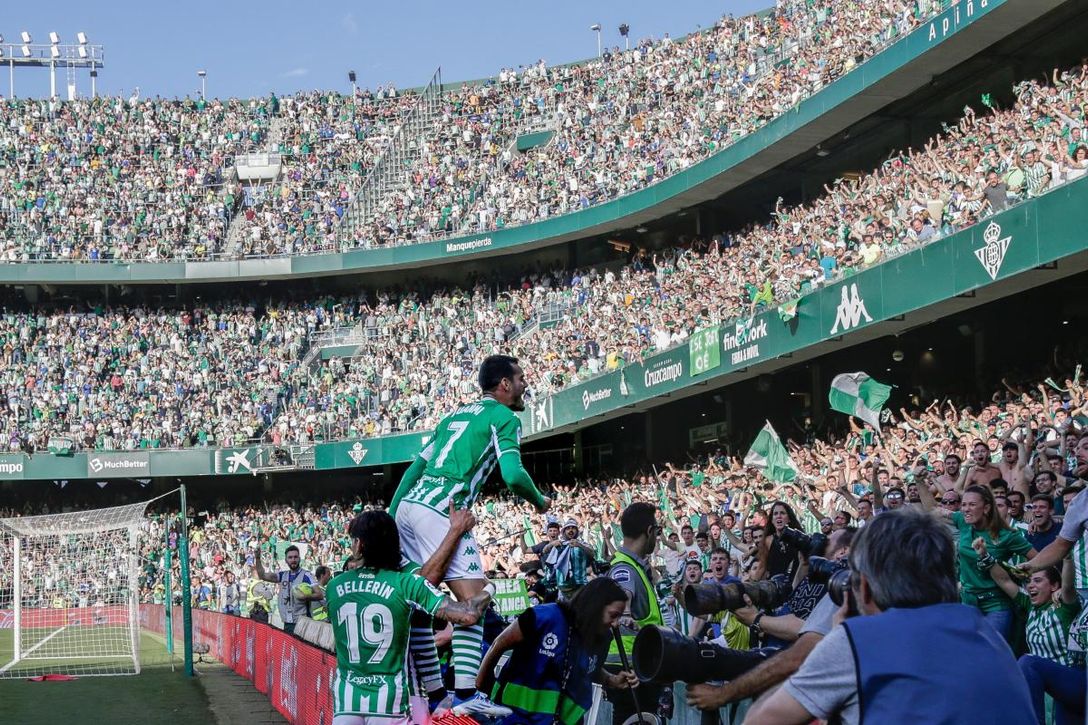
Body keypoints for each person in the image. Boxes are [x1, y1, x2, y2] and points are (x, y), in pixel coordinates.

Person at [744, 508, 1035, 724]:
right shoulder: (988, 636)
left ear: (865, 589)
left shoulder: (858, 640)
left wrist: (831, 640)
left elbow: (758, 721)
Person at [388, 354, 551, 718]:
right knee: (474, 604)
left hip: (409, 508)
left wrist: (389, 516)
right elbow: (512, 474)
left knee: (418, 606)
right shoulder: (504, 417)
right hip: (444, 512)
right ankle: (464, 696)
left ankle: (434, 696)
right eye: (521, 378)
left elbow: (414, 469)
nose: (526, 384)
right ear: (505, 384)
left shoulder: (453, 415)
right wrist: (540, 502)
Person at [327, 511, 492, 725]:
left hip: (346, 704)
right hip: (392, 704)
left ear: (358, 545)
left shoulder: (333, 587)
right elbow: (468, 615)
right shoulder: (407, 583)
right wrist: (490, 587)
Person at [477, 577, 639, 725]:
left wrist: (612, 680)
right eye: (613, 615)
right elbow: (498, 645)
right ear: (595, 606)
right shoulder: (544, 617)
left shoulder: (602, 639)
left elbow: (589, 668)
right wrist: (480, 689)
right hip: (514, 717)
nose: (616, 623)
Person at [977, 542, 1085, 725]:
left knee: (1028, 662)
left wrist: (1066, 558)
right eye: (1028, 581)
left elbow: (1068, 586)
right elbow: (1004, 581)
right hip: (1049, 691)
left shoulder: (1064, 606)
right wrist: (984, 555)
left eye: (1038, 580)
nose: (1031, 586)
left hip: (1073, 683)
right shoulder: (1030, 606)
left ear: (1054, 586)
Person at [917, 479, 1037, 641]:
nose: (966, 509)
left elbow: (1038, 560)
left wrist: (1049, 585)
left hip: (997, 605)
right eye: (964, 504)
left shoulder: (1008, 536)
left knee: (992, 654)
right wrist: (919, 481)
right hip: (968, 603)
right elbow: (933, 509)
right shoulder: (963, 522)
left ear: (986, 508)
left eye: (972, 505)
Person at [606, 501, 666, 724]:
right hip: (632, 669)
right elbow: (623, 596)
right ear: (649, 531)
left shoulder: (636, 566)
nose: (657, 537)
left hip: (637, 667)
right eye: (657, 531)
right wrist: (627, 612)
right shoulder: (625, 567)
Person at [254, 543, 317, 634]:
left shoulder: (307, 575)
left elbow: (319, 594)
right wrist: (257, 559)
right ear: (286, 560)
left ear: (299, 558)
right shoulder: (282, 575)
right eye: (290, 557)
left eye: (295, 557)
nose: (293, 560)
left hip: (303, 623)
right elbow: (262, 576)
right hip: (287, 622)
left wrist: (305, 597)